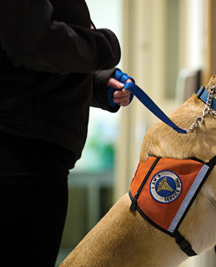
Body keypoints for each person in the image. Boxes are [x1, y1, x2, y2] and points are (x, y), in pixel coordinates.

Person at [0, 1, 132, 266]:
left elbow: (33, 66)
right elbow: (33, 41)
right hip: (19, 159)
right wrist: (105, 45)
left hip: (34, 159)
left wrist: (97, 84)